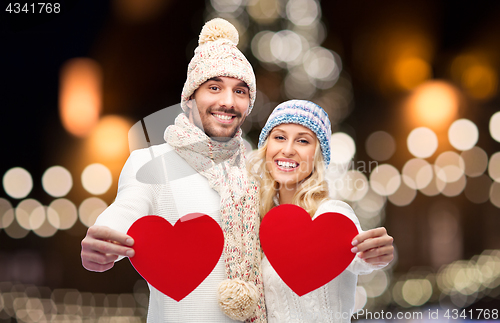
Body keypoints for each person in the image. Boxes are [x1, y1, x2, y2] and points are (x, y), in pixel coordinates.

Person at [80, 18, 266, 322]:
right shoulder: (150, 162)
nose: (228, 101)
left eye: (241, 91)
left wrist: (366, 257)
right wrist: (103, 238)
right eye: (214, 87)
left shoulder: (259, 170)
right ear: (190, 98)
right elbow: (126, 208)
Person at [247, 100, 394, 322]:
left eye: (303, 141)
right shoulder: (261, 223)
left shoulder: (331, 213)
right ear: (267, 147)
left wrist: (375, 255)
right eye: (279, 137)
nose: (287, 150)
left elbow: (357, 258)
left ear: (317, 156)